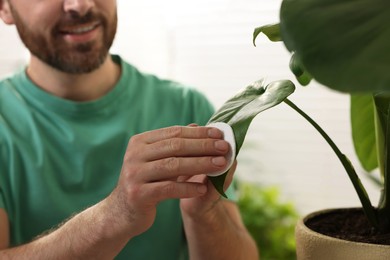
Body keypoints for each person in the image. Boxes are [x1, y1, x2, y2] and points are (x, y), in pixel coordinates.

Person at [0, 0, 259, 259]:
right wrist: (113, 217)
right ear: (5, 8)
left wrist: (204, 214)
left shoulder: (186, 107)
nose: (80, 5)